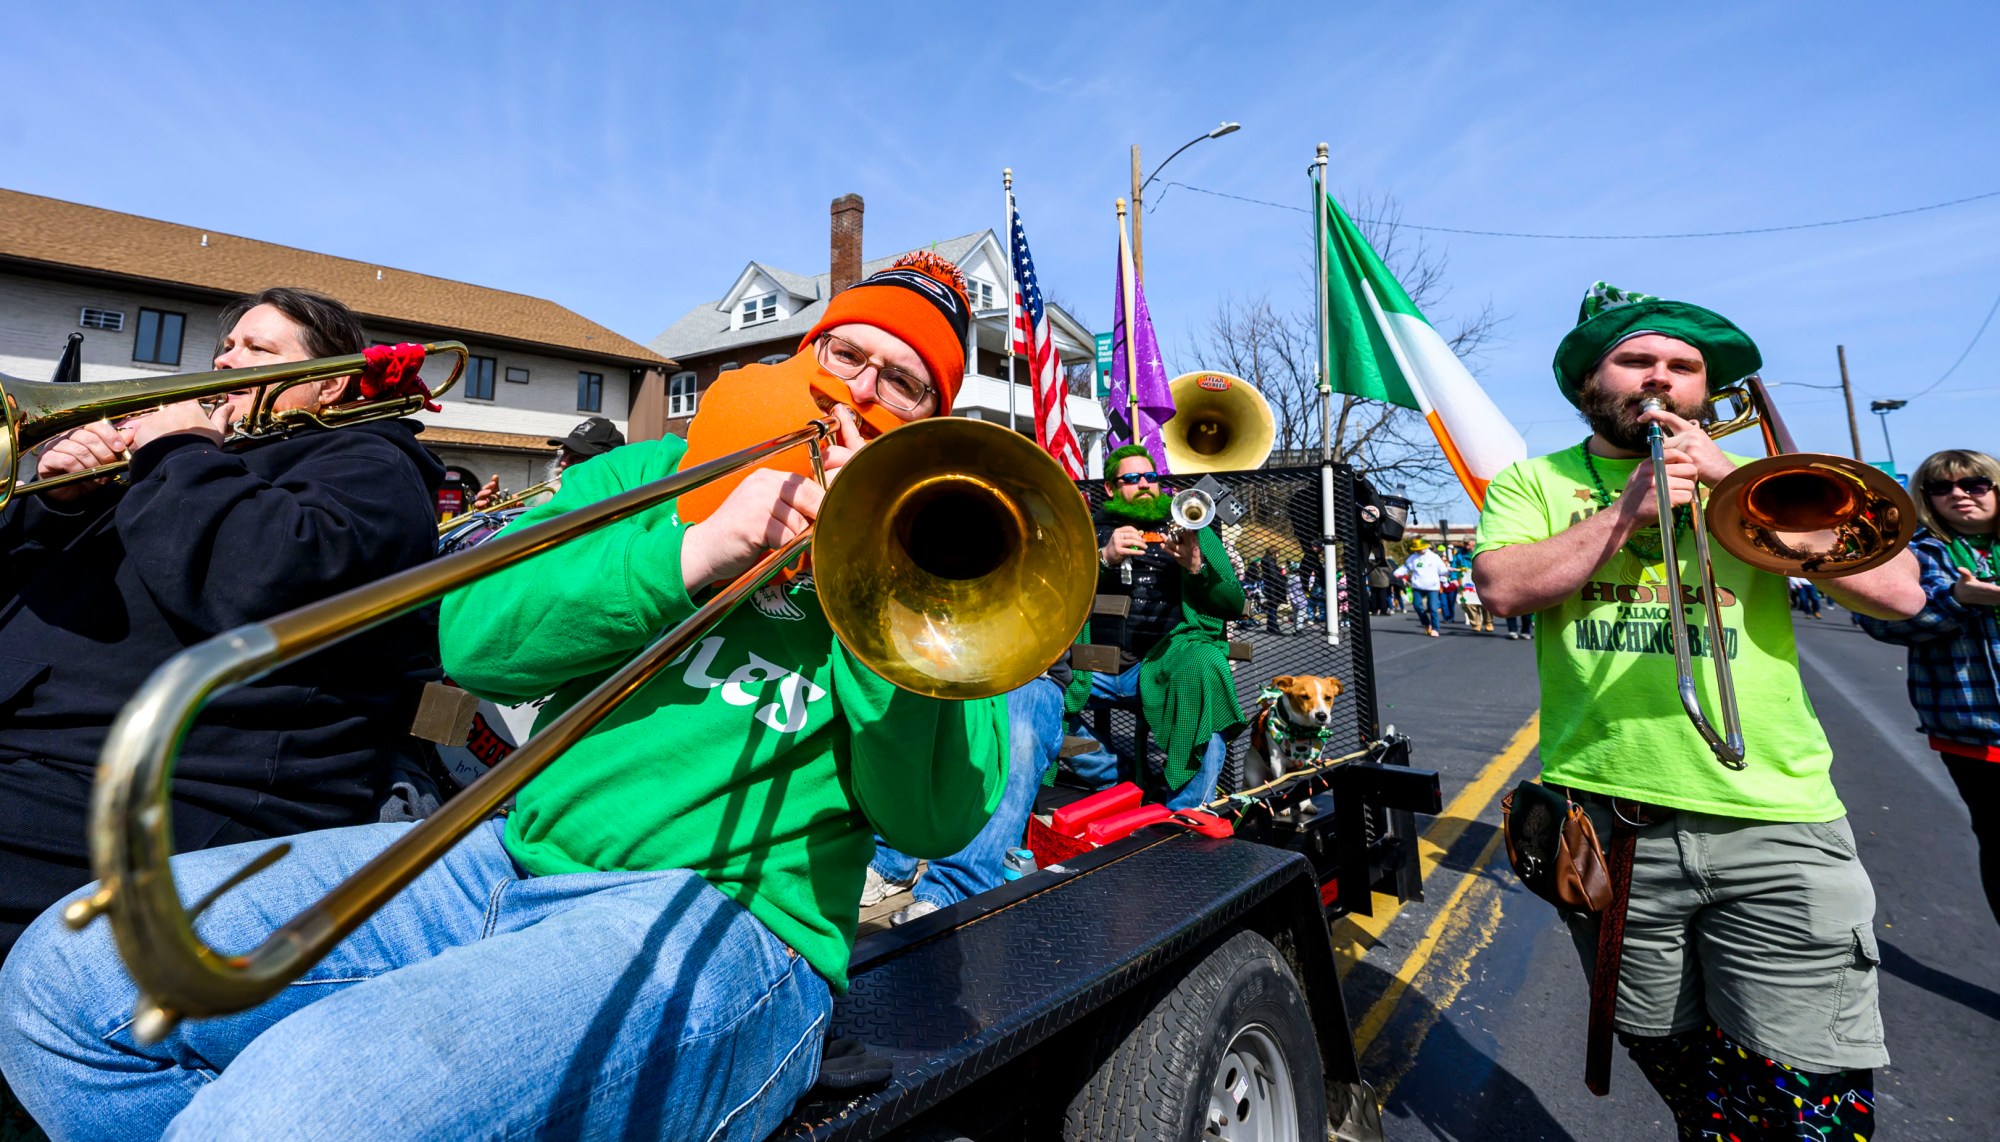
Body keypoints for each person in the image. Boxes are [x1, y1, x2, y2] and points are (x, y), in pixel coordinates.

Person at [0, 253, 1006, 1141]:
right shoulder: (645, 472)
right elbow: (479, 642)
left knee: (298, 1110)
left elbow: (938, 814)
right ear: (807, 353)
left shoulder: (937, 550)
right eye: (846, 356)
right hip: (505, 849)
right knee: (68, 977)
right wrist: (701, 549)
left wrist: (882, 599)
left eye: (902, 380)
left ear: (928, 417)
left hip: (735, 917)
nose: (861, 390)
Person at [1473, 281, 1924, 1138]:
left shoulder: (1767, 481)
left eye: (1684, 367)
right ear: (1587, 385)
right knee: (1664, 1047)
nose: (1662, 378)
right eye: (1636, 359)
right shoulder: (1536, 482)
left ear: (1705, 393)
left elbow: (1897, 592)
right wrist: (1624, 511)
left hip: (1776, 826)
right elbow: (1502, 588)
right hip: (1616, 827)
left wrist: (1732, 482)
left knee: (1808, 1083)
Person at [0, 285, 444, 964]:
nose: (229, 361)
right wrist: (59, 502)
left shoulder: (372, 463)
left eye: (258, 349)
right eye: (227, 346)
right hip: (51, 744)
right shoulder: (196, 458)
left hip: (184, 785)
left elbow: (263, 578)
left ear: (327, 384)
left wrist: (179, 451)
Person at [1858, 449, 2000, 929]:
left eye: (1975, 484)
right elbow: (1885, 623)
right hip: (1974, 725)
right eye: (1942, 488)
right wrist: (1957, 598)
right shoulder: (1914, 550)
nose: (1959, 495)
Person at [1062, 446, 1247, 811]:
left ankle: (1188, 812)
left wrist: (1197, 567)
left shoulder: (1195, 529)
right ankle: (1119, 775)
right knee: (1036, 699)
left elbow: (1234, 603)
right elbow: (1058, 590)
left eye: (1151, 477)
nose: (1144, 484)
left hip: (1162, 663)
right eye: (1131, 478)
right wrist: (1102, 558)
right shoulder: (1086, 531)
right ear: (1112, 489)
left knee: (1204, 672)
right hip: (1091, 668)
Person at [865, 655, 1071, 925]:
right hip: (942, 660)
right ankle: (889, 861)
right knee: (900, 698)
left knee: (1018, 732)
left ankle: (957, 890)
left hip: (1028, 672)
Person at [468, 416, 626, 512]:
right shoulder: (540, 498)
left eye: (577, 456)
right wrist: (495, 511)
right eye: (564, 452)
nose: (564, 462)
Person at [1403, 539, 1447, 636]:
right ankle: (1426, 623)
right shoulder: (1413, 557)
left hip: (1432, 587)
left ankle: (1435, 628)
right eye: (1417, 549)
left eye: (1420, 549)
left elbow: (1442, 569)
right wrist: (1399, 572)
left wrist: (1447, 571)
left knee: (1433, 608)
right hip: (1418, 586)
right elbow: (1406, 567)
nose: (1418, 551)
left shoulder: (1434, 557)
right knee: (1417, 605)